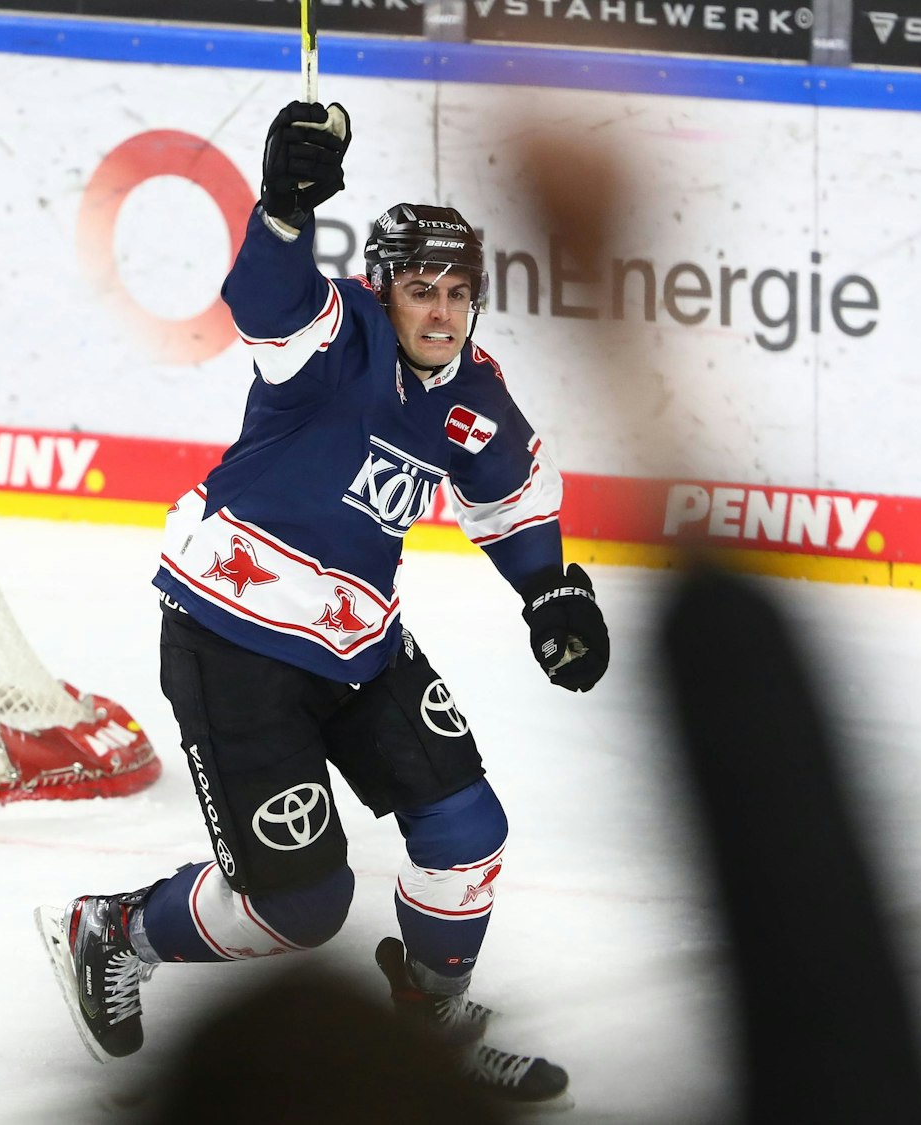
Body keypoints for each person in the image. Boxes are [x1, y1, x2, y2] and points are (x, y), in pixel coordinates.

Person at [35, 100, 609, 1109]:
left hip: (359, 640)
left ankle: (427, 1028)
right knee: (299, 910)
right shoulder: (331, 336)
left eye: (457, 293)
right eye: (420, 291)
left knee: (465, 831)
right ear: (381, 290)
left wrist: (552, 593)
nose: (440, 312)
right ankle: (116, 928)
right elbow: (264, 300)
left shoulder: (472, 390)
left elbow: (510, 500)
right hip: (232, 637)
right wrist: (286, 211)